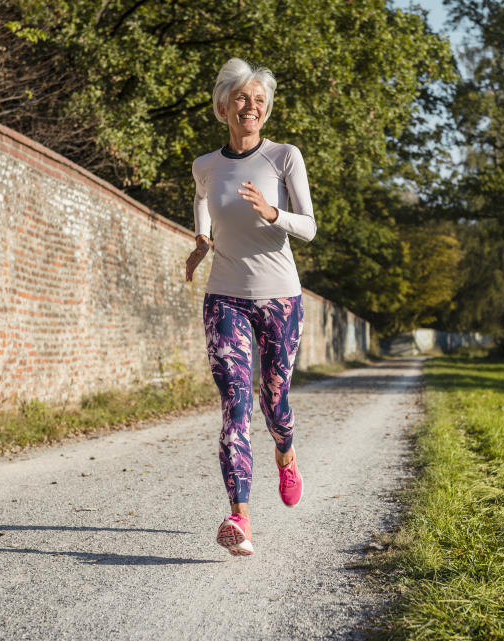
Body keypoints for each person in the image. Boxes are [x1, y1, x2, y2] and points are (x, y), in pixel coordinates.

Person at [185, 58, 317, 557]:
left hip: (280, 296)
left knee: (274, 401)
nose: (252, 106)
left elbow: (309, 226)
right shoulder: (206, 164)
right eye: (242, 98)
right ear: (224, 106)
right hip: (225, 297)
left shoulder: (285, 156)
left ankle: (286, 455)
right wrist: (202, 238)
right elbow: (202, 199)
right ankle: (238, 517)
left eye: (259, 100)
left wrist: (273, 213)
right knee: (235, 403)